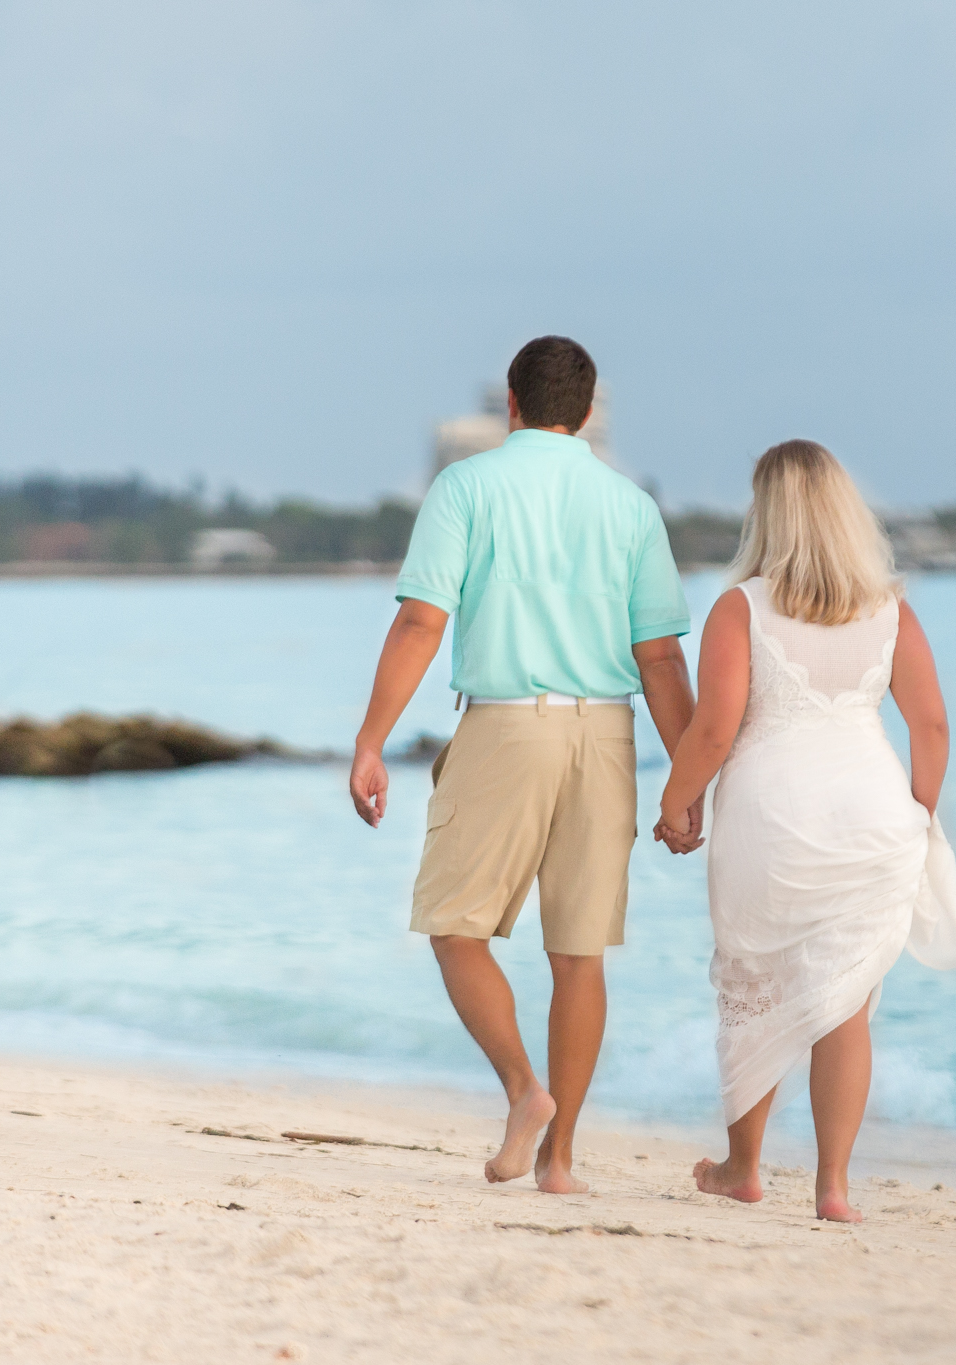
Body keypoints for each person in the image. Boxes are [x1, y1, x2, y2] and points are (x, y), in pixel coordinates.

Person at [349, 335, 700, 1195]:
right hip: (606, 735)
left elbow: (421, 624)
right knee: (580, 953)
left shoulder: (466, 485)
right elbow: (660, 658)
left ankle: (522, 1090)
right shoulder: (630, 507)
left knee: (454, 926)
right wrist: (690, 783)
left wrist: (370, 739)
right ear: (583, 414)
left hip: (506, 727)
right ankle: (561, 1161)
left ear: (510, 401)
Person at [653, 440, 956, 1221]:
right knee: (846, 1004)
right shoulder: (891, 610)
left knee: (753, 979)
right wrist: (920, 815)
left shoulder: (742, 608)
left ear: (767, 516)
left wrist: (675, 802)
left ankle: (744, 1166)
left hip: (771, 818)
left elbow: (714, 728)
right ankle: (832, 1188)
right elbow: (930, 725)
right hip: (872, 817)